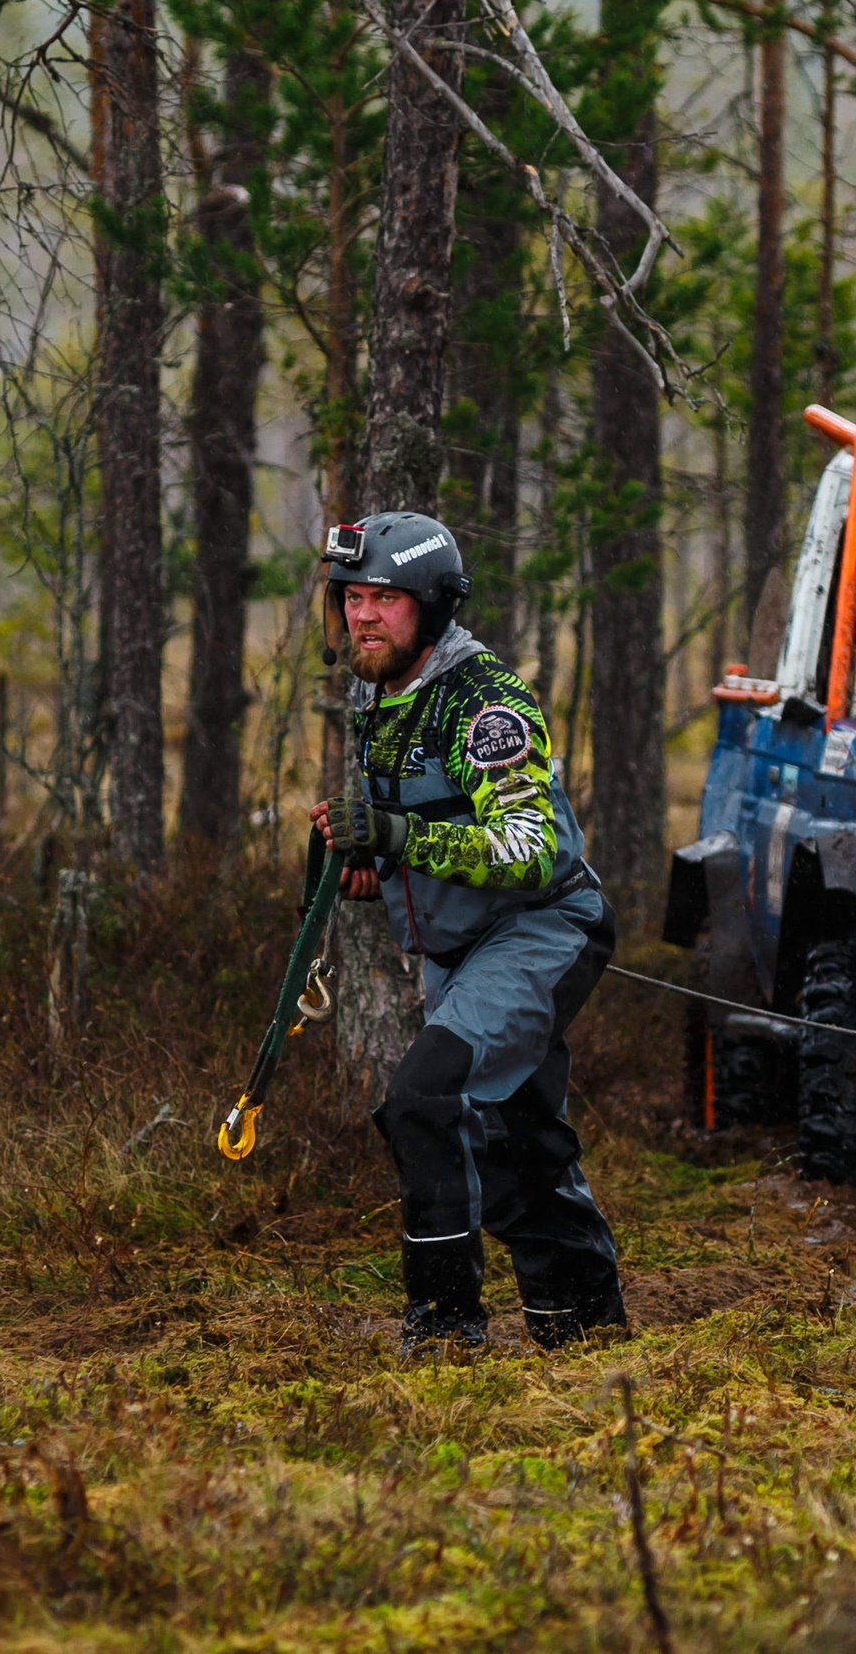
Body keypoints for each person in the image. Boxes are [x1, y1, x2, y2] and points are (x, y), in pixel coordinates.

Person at [311, 511, 627, 1353]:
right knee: (515, 1141)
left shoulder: (484, 701)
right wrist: (372, 864)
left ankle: (446, 1327)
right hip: (458, 948)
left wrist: (400, 838)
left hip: (541, 928)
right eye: (352, 596)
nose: (363, 616)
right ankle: (587, 1326)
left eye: (386, 598)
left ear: (435, 605)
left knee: (425, 1097)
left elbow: (530, 850)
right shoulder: (377, 690)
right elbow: (429, 827)